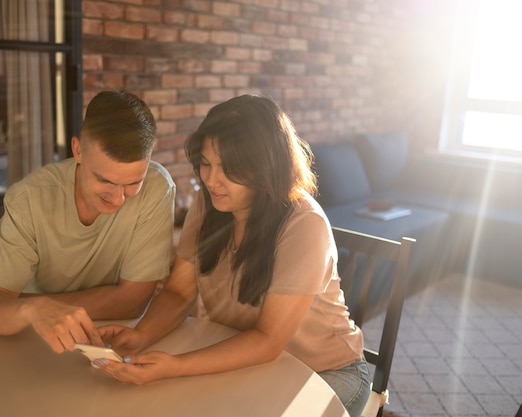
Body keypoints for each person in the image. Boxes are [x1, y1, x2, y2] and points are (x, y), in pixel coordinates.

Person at [93, 94, 371, 417]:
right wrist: (140, 335)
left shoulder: (304, 224)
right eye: (206, 164)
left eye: (229, 168)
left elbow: (267, 340)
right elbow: (179, 292)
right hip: (256, 364)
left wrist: (173, 366)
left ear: (266, 166)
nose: (211, 180)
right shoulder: (210, 205)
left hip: (327, 372)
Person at [0, 90, 176, 354]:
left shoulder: (157, 188)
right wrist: (33, 310)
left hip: (117, 336)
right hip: (36, 343)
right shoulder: (29, 199)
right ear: (78, 150)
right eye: (105, 181)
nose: (118, 198)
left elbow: (133, 301)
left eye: (133, 183)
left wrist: (38, 305)